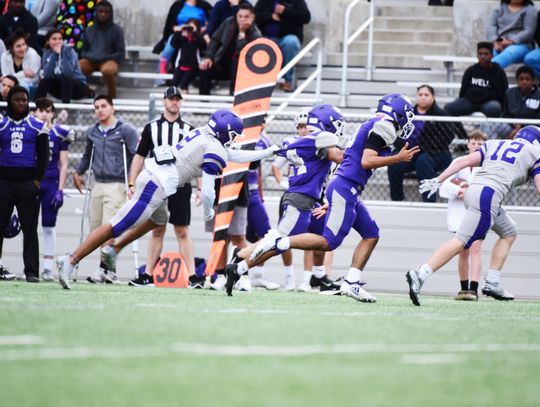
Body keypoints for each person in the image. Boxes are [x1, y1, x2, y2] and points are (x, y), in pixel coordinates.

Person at [56, 109, 281, 289]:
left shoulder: (205, 133)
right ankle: (71, 259)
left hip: (157, 177)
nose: (233, 140)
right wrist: (208, 211)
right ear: (224, 132)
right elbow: (210, 190)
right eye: (232, 135)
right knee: (116, 226)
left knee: (159, 219)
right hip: (156, 186)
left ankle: (114, 249)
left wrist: (267, 151)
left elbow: (233, 154)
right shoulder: (214, 147)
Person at [225, 96, 420, 301]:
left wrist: (332, 200)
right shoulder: (384, 126)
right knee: (328, 242)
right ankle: (271, 248)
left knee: (371, 233)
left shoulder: (374, 125)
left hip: (345, 188)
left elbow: (349, 159)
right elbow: (366, 160)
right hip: (342, 187)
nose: (408, 120)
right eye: (407, 115)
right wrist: (398, 159)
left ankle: (351, 282)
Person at [408, 125, 540, 306]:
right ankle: (421, 272)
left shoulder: (495, 143)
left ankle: (493, 281)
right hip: (489, 197)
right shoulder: (534, 152)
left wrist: (438, 180)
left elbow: (462, 162)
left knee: (509, 231)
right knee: (461, 242)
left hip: (474, 192)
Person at [126, 87, 198, 288]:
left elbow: (196, 159)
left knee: (182, 230)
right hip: (157, 182)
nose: (174, 102)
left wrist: (200, 188)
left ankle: (192, 276)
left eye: (177, 99)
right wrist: (132, 182)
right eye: (171, 99)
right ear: (164, 101)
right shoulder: (151, 127)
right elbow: (140, 155)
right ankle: (148, 275)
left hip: (180, 184)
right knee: (157, 229)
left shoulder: (189, 129)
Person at [73, 95, 139, 283]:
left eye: (103, 106)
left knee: (108, 227)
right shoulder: (92, 131)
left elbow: (137, 156)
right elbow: (87, 155)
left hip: (117, 184)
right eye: (96, 107)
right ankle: (109, 270)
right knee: (96, 229)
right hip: (97, 184)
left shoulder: (126, 130)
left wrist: (132, 181)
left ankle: (104, 269)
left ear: (112, 108)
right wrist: (78, 172)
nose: (100, 110)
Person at [0, 86, 49, 283]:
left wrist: (37, 180)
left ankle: (31, 271)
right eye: (17, 99)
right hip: (4, 183)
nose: (21, 103)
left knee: (30, 229)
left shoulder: (37, 125)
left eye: (24, 100)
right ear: (10, 101)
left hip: (28, 184)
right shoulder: (2, 124)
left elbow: (44, 155)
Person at [388, 84, 460, 203]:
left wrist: (424, 147)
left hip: (437, 154)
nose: (423, 97)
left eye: (426, 94)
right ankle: (397, 200)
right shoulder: (408, 114)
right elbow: (397, 134)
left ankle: (429, 202)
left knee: (423, 160)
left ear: (433, 97)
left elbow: (448, 136)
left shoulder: (441, 114)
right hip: (411, 153)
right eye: (420, 94)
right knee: (395, 161)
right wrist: (404, 147)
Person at [438, 130, 487, 301]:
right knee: (462, 250)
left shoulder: (488, 165)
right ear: (468, 144)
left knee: (476, 247)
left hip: (479, 211)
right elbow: (444, 183)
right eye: (473, 143)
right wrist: (459, 188)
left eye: (480, 144)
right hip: (459, 213)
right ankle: (463, 288)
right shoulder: (458, 162)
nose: (476, 146)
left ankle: (474, 288)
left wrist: (468, 190)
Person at [33, 97, 73, 281]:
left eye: (47, 111)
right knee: (29, 226)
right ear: (35, 112)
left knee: (49, 226)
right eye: (40, 110)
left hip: (50, 183)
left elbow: (63, 164)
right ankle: (31, 267)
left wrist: (61, 189)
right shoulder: (29, 130)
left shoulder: (58, 133)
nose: (43, 114)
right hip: (30, 182)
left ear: (52, 113)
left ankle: (47, 268)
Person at [198, 3, 260, 95]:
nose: (242, 19)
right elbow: (215, 40)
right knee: (204, 67)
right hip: (221, 63)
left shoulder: (255, 34)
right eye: (240, 16)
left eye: (246, 17)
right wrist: (209, 57)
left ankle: (233, 97)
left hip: (241, 72)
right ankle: (203, 102)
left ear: (252, 18)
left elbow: (241, 52)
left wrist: (242, 32)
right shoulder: (229, 22)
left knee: (237, 60)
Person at [254, 0, 311, 92]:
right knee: (260, 43)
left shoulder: (297, 1)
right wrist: (270, 16)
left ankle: (288, 80)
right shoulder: (263, 1)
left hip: (287, 38)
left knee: (291, 42)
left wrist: (285, 11)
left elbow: (306, 17)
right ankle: (262, 82)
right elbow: (253, 16)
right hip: (267, 38)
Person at [445, 42, 509, 118]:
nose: (483, 56)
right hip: (470, 101)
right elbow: (463, 91)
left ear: (492, 56)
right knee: (449, 108)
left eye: (486, 54)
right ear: (477, 55)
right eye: (480, 54)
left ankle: (489, 130)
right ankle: (458, 130)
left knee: (494, 108)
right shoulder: (471, 70)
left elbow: (504, 92)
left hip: (489, 103)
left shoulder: (499, 72)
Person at [79, 0, 125, 99]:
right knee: (77, 67)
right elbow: (83, 52)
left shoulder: (117, 31)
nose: (103, 14)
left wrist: (105, 57)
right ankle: (88, 92)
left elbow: (121, 54)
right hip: (91, 61)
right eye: (100, 11)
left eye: (106, 12)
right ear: (96, 12)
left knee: (108, 70)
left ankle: (111, 98)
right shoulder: (89, 30)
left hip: (108, 61)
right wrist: (93, 57)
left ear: (110, 13)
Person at [154, 0, 212, 75]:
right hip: (180, 34)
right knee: (172, 39)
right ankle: (161, 72)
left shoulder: (205, 6)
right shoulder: (177, 5)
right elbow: (170, 24)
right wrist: (178, 28)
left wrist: (199, 29)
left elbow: (210, 24)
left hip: (198, 34)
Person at [36, 28, 91, 104]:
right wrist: (55, 55)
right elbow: (47, 75)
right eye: (54, 39)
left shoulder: (69, 51)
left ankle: (65, 109)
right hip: (61, 89)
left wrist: (64, 54)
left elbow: (68, 74)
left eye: (60, 39)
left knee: (65, 78)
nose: (57, 41)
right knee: (44, 81)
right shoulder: (47, 54)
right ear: (48, 41)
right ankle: (38, 107)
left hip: (78, 88)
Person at [486, 0, 537, 70]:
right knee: (490, 54)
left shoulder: (530, 10)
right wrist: (495, 42)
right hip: (499, 43)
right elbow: (491, 27)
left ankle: (484, 73)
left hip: (521, 45)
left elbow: (528, 31)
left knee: (509, 52)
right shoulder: (499, 8)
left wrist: (510, 41)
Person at [502, 65, 540, 139]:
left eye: (527, 79)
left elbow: (538, 118)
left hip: (533, 128)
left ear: (533, 81)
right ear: (517, 80)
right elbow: (505, 114)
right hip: (512, 127)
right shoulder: (509, 93)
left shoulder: (539, 94)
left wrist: (522, 126)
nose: (524, 82)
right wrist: (514, 125)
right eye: (521, 79)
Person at [169, 19, 206, 93]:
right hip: (180, 65)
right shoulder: (181, 39)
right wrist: (180, 31)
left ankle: (185, 102)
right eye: (188, 28)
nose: (189, 30)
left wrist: (195, 32)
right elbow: (173, 43)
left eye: (192, 28)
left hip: (193, 67)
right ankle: (173, 101)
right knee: (174, 84)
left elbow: (203, 45)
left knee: (184, 84)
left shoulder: (197, 39)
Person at [0, 30, 41, 98]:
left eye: (24, 44)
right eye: (18, 46)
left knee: (23, 85)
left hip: (31, 86)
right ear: (12, 48)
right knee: (4, 86)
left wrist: (13, 78)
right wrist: (23, 74)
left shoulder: (33, 54)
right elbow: (6, 78)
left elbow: (34, 78)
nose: (23, 48)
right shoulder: (5, 56)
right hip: (9, 85)